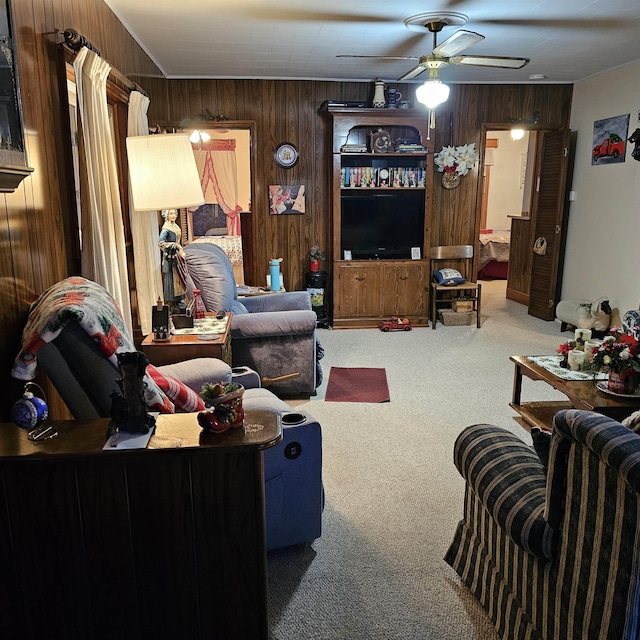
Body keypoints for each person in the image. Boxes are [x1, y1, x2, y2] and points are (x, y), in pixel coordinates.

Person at [158, 209, 186, 308]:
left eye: (174, 213)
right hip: (171, 257)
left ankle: (179, 299)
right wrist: (176, 246)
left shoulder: (175, 226)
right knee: (172, 278)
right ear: (166, 215)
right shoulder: (166, 228)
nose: (173, 215)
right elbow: (161, 243)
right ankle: (173, 301)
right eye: (170, 213)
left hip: (178, 256)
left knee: (179, 276)